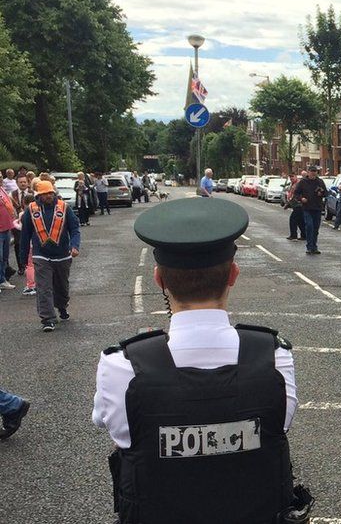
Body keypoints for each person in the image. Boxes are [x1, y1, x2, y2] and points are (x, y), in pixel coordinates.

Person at [92, 197, 310, 524]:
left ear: (159, 280)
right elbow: (279, 426)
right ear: (233, 274)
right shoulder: (274, 357)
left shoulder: (122, 366)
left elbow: (114, 430)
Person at [18, 180, 81, 332]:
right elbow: (25, 235)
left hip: (63, 255)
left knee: (62, 287)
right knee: (44, 287)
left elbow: (74, 228)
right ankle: (47, 319)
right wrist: (23, 258)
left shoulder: (64, 207)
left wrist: (74, 245)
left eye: (50, 193)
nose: (48, 196)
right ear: (39, 195)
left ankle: (62, 306)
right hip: (41, 256)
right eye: (45, 194)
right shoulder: (31, 210)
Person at [293, 165, 327, 255]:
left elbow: (326, 193)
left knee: (315, 228)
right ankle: (309, 246)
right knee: (309, 226)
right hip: (307, 208)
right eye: (312, 172)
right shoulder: (303, 182)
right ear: (308, 172)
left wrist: (321, 193)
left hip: (317, 207)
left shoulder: (320, 182)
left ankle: (314, 247)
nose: (313, 173)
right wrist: (301, 198)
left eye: (315, 172)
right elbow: (296, 193)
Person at [10, 175, 33, 275]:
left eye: (24, 182)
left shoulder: (33, 193)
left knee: (31, 244)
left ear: (27, 182)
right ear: (17, 183)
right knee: (18, 244)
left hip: (32, 222)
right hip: (18, 222)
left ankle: (31, 264)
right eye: (20, 182)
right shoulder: (12, 194)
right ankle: (21, 266)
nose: (23, 184)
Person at [0, 186, 17, 292]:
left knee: (5, 256)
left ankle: (2, 280)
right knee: (0, 257)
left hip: (6, 228)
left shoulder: (1, 189)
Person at [284, 172, 307, 242]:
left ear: (296, 176)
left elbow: (295, 195)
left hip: (299, 205)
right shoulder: (293, 184)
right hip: (296, 205)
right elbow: (291, 195)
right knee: (300, 221)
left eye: (292, 177)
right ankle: (304, 235)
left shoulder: (298, 184)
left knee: (293, 220)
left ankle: (294, 235)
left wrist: (288, 204)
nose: (291, 179)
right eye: (290, 178)